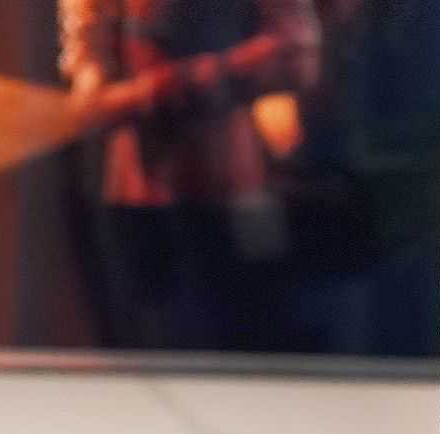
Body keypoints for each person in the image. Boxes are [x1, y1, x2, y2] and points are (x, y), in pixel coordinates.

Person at [56, 0, 325, 352]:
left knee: (251, 350)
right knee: (145, 354)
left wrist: (177, 84)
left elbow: (297, 55)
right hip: (142, 207)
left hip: (240, 201)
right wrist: (115, 94)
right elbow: (88, 90)